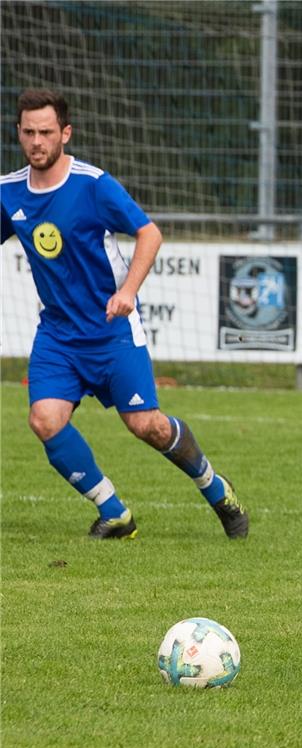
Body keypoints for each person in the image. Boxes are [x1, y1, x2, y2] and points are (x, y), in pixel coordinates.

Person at [1, 89, 248, 540]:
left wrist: (129, 291)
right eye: (29, 132)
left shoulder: (92, 185)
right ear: (18, 133)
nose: (37, 141)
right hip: (58, 335)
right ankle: (114, 512)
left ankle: (215, 487)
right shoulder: (9, 192)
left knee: (146, 426)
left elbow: (148, 233)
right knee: (44, 420)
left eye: (46, 132)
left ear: (66, 133)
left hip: (111, 331)